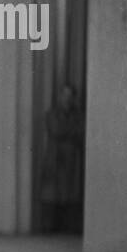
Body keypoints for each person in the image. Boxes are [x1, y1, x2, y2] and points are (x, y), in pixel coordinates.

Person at [38, 84, 84, 234]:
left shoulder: (79, 115)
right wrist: (71, 131)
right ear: (59, 97)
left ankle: (68, 230)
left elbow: (81, 131)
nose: (67, 99)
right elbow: (56, 130)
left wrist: (68, 131)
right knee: (52, 194)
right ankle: (49, 230)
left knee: (71, 194)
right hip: (55, 159)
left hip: (72, 160)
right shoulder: (51, 114)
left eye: (70, 96)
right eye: (65, 95)